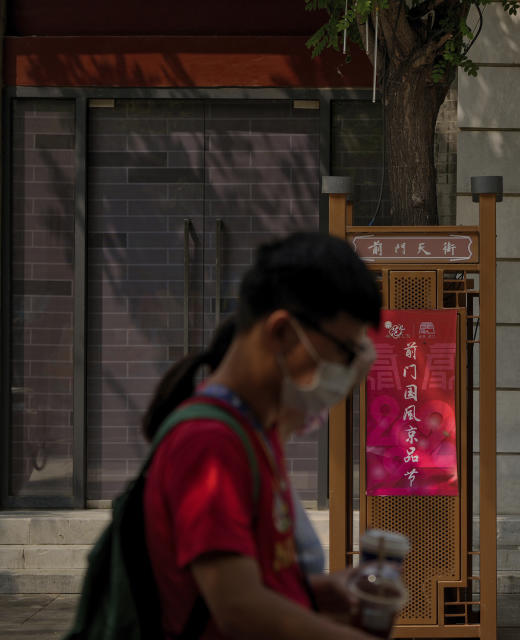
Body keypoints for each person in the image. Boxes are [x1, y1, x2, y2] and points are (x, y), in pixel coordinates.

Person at [141, 232, 381, 639]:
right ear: (282, 332)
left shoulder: (254, 433)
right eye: (344, 351)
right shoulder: (209, 443)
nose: (346, 371)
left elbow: (257, 584)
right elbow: (238, 609)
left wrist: (320, 590)